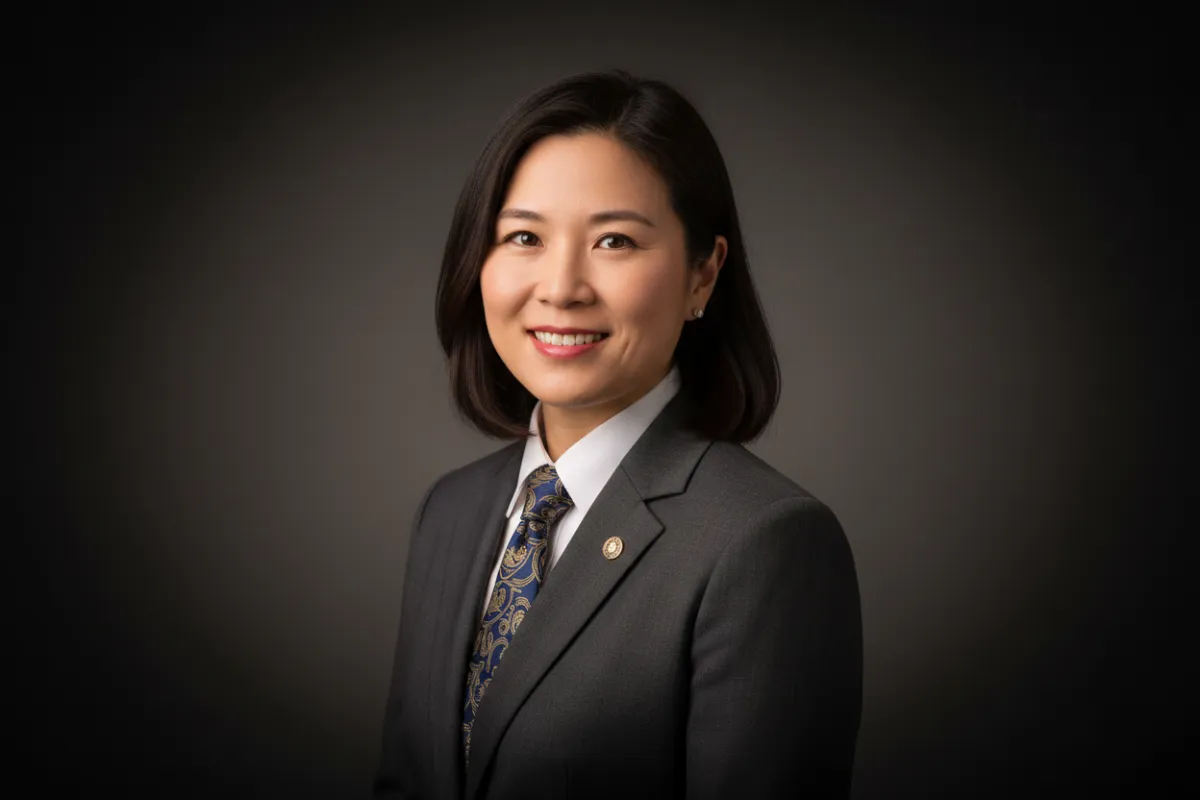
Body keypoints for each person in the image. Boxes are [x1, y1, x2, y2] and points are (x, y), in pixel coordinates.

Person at [373, 69, 862, 799]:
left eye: (614, 241)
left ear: (703, 275)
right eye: (524, 236)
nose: (562, 286)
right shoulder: (450, 512)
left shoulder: (765, 543)